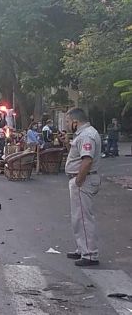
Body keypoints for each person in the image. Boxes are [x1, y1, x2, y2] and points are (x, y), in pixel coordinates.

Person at [61, 108, 102, 266]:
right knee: (78, 217)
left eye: (68, 121)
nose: (67, 125)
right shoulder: (83, 134)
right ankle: (82, 248)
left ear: (75, 121)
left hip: (84, 180)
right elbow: (77, 156)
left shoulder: (86, 135)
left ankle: (90, 254)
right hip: (82, 179)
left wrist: (79, 180)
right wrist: (67, 143)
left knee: (83, 218)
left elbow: (87, 160)